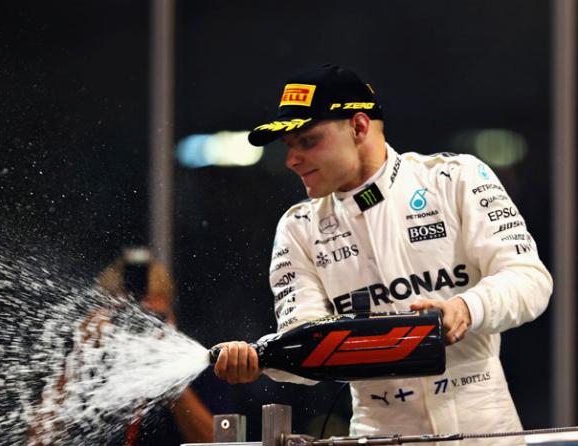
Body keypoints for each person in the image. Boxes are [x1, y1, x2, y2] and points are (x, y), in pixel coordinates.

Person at [213, 64, 552, 444]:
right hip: (377, 434)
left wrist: (466, 308)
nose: (292, 159)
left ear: (359, 127)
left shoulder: (456, 178)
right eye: (288, 146)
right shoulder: (298, 227)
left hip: (485, 429)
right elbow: (305, 342)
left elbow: (530, 279)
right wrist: (262, 360)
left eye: (307, 141)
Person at [30, 247, 213, 446]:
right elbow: (38, 440)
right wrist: (78, 361)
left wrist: (175, 383)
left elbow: (219, 442)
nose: (144, 328)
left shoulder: (196, 364)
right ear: (104, 317)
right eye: (129, 317)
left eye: (155, 318)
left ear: (171, 318)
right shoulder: (80, 372)